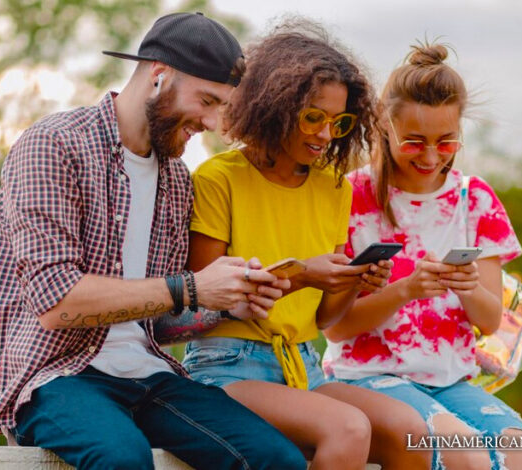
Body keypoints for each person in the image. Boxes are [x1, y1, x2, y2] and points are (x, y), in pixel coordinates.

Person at [0, 12, 308, 470]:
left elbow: (157, 318)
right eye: (207, 100)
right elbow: (56, 303)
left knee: (278, 460)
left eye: (221, 106)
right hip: (54, 376)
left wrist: (226, 303)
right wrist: (190, 286)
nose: (212, 122)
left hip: (149, 375)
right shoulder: (53, 145)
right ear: (159, 75)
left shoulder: (176, 179)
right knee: (124, 459)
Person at [172, 21, 432, 470]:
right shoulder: (219, 179)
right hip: (227, 366)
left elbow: (326, 317)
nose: (326, 135)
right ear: (274, 106)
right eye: (314, 117)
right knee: (348, 428)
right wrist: (302, 274)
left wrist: (353, 282)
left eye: (340, 122)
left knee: (411, 434)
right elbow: (200, 307)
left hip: (304, 367)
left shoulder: (333, 189)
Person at [321, 43, 522, 470]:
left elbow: (490, 321)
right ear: (384, 127)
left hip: (450, 380)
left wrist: (467, 289)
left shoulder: (475, 199)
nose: (430, 157)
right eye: (414, 143)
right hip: (368, 378)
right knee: (466, 456)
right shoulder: (351, 197)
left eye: (446, 143)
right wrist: (405, 290)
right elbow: (336, 329)